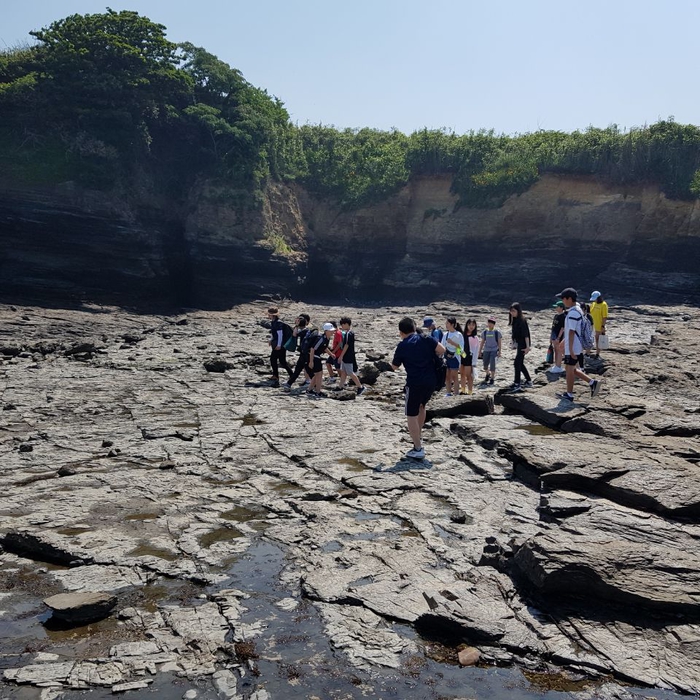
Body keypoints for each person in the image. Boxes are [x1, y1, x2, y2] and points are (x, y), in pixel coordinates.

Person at [391, 317, 446, 460]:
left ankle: (417, 448)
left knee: (411, 414)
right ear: (414, 328)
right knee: (422, 406)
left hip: (414, 382)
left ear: (401, 332)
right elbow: (442, 350)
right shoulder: (426, 338)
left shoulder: (402, 345)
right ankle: (418, 437)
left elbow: (394, 367)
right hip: (431, 381)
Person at [555, 288, 602, 402]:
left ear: (569, 299)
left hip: (573, 346)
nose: (562, 301)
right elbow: (573, 330)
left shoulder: (572, 313)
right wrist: (564, 343)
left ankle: (569, 395)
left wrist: (570, 349)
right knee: (572, 368)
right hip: (576, 344)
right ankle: (592, 382)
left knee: (569, 369)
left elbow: (571, 331)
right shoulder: (577, 309)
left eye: (563, 298)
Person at [506, 302, 532, 393]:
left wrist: (528, 347)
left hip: (523, 344)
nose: (512, 313)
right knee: (520, 363)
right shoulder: (514, 320)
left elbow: (526, 335)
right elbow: (514, 334)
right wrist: (513, 343)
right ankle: (529, 381)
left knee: (517, 363)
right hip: (519, 343)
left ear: (518, 311)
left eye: (513, 311)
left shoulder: (522, 320)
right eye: (511, 311)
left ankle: (517, 383)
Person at [337, 316, 365, 395]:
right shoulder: (346, 333)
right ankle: (340, 386)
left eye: (343, 324)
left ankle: (360, 387)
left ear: (346, 324)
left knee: (350, 372)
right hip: (346, 355)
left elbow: (347, 345)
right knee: (343, 372)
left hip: (348, 355)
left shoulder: (350, 333)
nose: (342, 326)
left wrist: (341, 356)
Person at [283, 314, 312, 389]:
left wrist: (296, 325)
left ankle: (312, 383)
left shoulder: (303, 332)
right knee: (300, 369)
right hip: (305, 352)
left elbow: (294, 334)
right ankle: (289, 383)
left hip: (305, 353)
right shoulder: (307, 330)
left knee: (302, 369)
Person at [307, 322, 336, 397]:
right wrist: (311, 362)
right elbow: (312, 349)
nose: (333, 332)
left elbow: (324, 347)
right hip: (314, 357)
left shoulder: (327, 338)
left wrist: (331, 354)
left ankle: (310, 389)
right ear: (326, 331)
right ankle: (318, 392)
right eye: (331, 331)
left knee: (317, 375)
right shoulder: (321, 338)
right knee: (319, 375)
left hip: (317, 357)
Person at [267, 307, 293, 387]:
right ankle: (291, 375)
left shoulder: (278, 323)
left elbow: (280, 335)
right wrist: (271, 340)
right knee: (282, 362)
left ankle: (276, 376)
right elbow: (273, 333)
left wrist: (279, 345)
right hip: (279, 344)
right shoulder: (273, 322)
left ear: (271, 315)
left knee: (274, 360)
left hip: (280, 345)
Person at [441, 317, 464, 396]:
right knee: (447, 376)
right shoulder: (445, 334)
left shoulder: (458, 334)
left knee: (455, 377)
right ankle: (448, 392)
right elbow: (442, 346)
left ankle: (456, 393)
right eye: (446, 323)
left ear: (453, 324)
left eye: (448, 323)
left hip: (455, 358)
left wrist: (452, 343)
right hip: (446, 357)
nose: (446, 325)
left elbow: (461, 349)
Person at [478, 316, 502, 386]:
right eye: (489, 323)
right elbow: (482, 342)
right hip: (486, 350)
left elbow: (499, 342)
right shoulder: (485, 332)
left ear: (494, 324)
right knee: (485, 365)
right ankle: (487, 373)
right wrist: (479, 351)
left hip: (494, 350)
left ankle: (492, 378)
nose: (490, 324)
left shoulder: (497, 332)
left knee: (492, 364)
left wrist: (499, 351)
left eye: (491, 323)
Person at [460, 318, 480, 395]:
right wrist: (460, 353)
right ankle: (463, 390)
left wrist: (474, 362)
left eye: (473, 325)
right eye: (469, 324)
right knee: (462, 375)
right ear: (466, 325)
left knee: (469, 376)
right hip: (462, 356)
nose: (471, 326)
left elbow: (476, 350)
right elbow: (458, 346)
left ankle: (470, 391)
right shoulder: (462, 335)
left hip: (469, 358)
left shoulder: (475, 337)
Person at [548, 301, 566, 374]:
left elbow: (562, 328)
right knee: (555, 350)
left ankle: (558, 366)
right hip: (554, 335)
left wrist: (558, 337)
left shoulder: (563, 316)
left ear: (561, 308)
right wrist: (551, 337)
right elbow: (553, 327)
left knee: (559, 351)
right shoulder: (556, 316)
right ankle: (556, 365)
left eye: (557, 307)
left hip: (559, 336)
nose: (555, 308)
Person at [589, 291, 609, 357]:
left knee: (598, 339)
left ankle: (597, 353)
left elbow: (604, 316)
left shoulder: (603, 304)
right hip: (592, 325)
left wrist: (603, 326)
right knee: (591, 339)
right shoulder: (593, 304)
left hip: (599, 325)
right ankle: (589, 352)